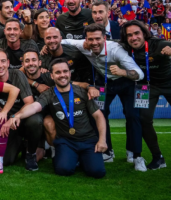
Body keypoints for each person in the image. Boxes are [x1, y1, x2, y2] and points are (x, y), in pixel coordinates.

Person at [119, 20, 171, 175]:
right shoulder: (124, 48)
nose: (133, 37)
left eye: (136, 33)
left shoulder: (160, 44)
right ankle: (158, 158)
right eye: (129, 35)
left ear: (144, 33)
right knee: (143, 119)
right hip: (145, 86)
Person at [2, 58, 107, 179]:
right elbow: (34, 107)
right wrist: (17, 115)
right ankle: (74, 158)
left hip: (87, 140)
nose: (62, 75)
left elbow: (99, 116)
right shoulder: (49, 94)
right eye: (58, 72)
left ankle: (83, 158)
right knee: (63, 170)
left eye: (65, 71)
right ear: (52, 76)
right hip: (66, 141)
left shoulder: (82, 92)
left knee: (98, 172)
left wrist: (102, 140)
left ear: (69, 73)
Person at [62, 23, 146, 170]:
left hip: (126, 82)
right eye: (90, 39)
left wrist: (123, 72)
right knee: (98, 113)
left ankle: (135, 154)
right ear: (86, 40)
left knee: (133, 115)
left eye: (97, 39)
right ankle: (107, 151)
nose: (94, 43)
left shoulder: (116, 50)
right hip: (104, 83)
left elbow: (139, 73)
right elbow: (64, 41)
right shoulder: (83, 45)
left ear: (104, 38)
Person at [0, 48, 42, 169]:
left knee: (36, 120)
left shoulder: (17, 74)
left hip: (23, 117)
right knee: (6, 160)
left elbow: (29, 102)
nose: (0, 65)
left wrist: (13, 117)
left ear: (8, 62)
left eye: (3, 61)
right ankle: (21, 144)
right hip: (7, 124)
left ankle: (31, 153)